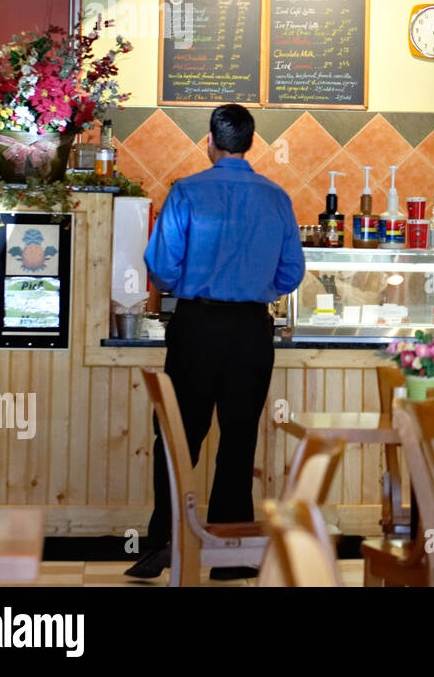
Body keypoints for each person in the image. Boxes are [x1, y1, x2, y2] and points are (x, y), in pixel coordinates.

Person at [126, 104, 305, 580]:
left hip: (197, 328)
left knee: (178, 438)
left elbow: (161, 269)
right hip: (251, 332)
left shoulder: (185, 192)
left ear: (210, 140)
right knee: (239, 440)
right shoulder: (277, 198)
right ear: (251, 142)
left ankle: (166, 544)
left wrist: (190, 278)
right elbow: (291, 275)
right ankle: (233, 556)